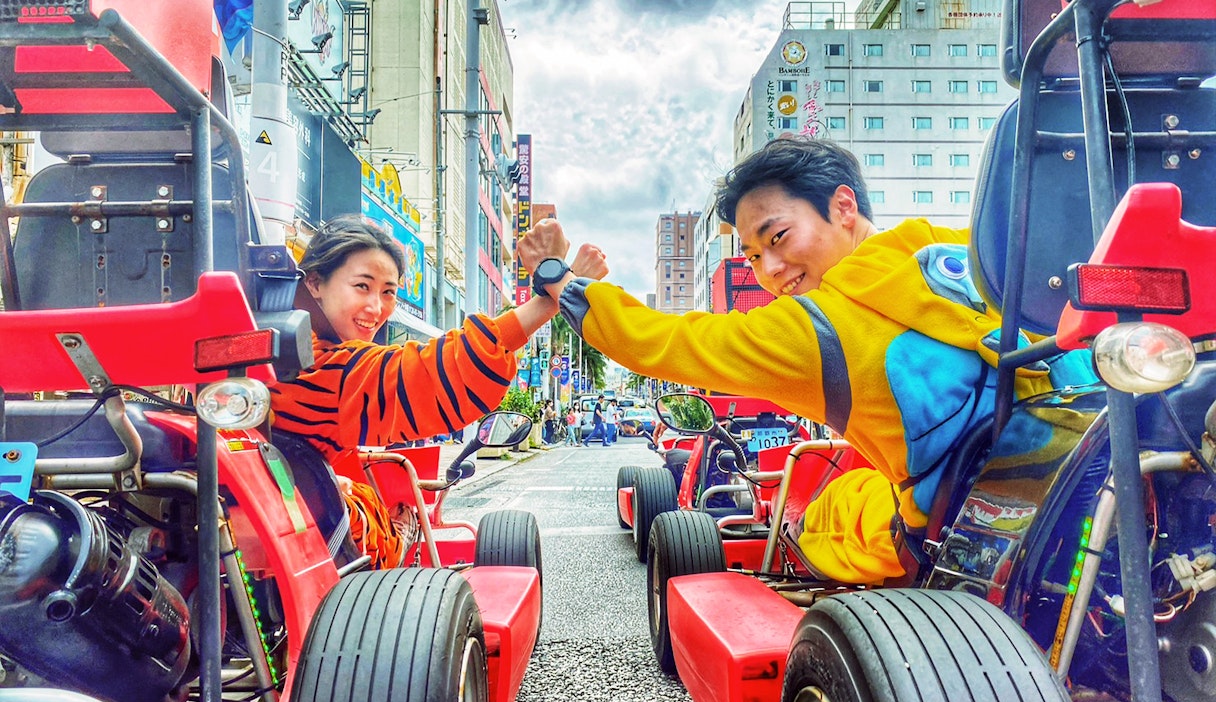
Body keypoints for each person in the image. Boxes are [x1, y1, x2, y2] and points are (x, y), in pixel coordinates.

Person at [516, 137, 1092, 585]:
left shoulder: (815, 330)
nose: (768, 269)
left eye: (778, 237)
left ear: (843, 206)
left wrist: (558, 279)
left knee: (816, 515)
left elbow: (659, 340)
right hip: (1084, 465)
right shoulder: (957, 249)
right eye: (752, 254)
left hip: (961, 529)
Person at [269, 215, 563, 569]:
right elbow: (436, 373)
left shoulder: (263, 343)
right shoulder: (323, 367)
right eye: (362, 286)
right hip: (313, 555)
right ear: (315, 283)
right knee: (396, 515)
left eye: (388, 292)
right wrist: (549, 296)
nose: (376, 309)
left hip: (265, 518)